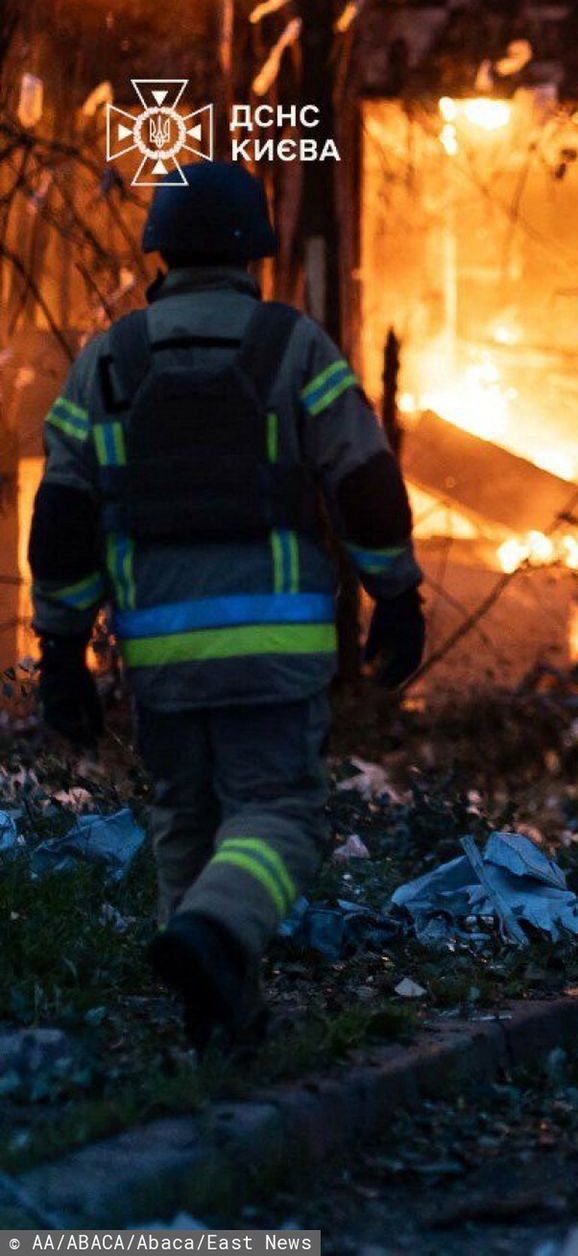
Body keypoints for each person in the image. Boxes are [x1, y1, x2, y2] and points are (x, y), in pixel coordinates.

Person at [28, 161, 424, 1050]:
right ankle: (212, 935)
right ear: (254, 253)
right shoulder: (291, 346)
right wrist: (394, 592)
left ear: (159, 251)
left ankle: (219, 1012)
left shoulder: (110, 360)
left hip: (159, 651)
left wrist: (61, 651)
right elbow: (363, 478)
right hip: (273, 649)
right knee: (278, 814)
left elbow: (63, 512)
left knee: (186, 816)